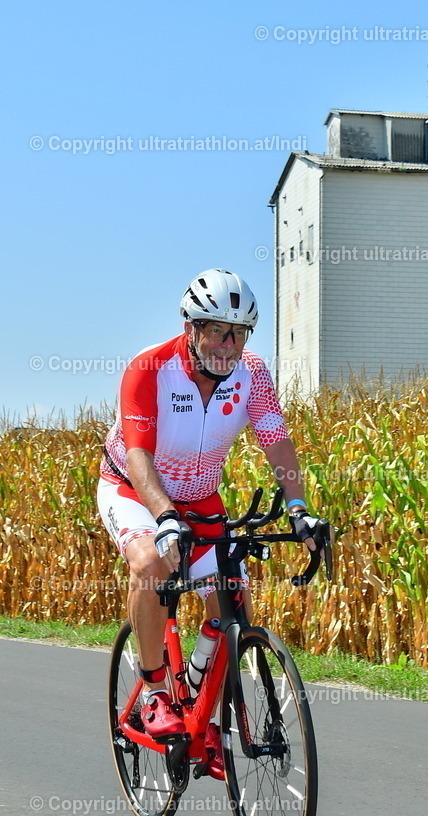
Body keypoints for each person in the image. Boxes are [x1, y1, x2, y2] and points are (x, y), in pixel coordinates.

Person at [97, 268, 324, 775]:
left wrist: (298, 507)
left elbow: (277, 443)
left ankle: (201, 706)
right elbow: (138, 457)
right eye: (217, 331)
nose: (228, 345)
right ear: (191, 328)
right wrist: (164, 517)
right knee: (152, 561)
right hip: (135, 490)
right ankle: (155, 690)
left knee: (232, 597)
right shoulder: (149, 369)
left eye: (239, 333)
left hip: (200, 499)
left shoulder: (253, 375)